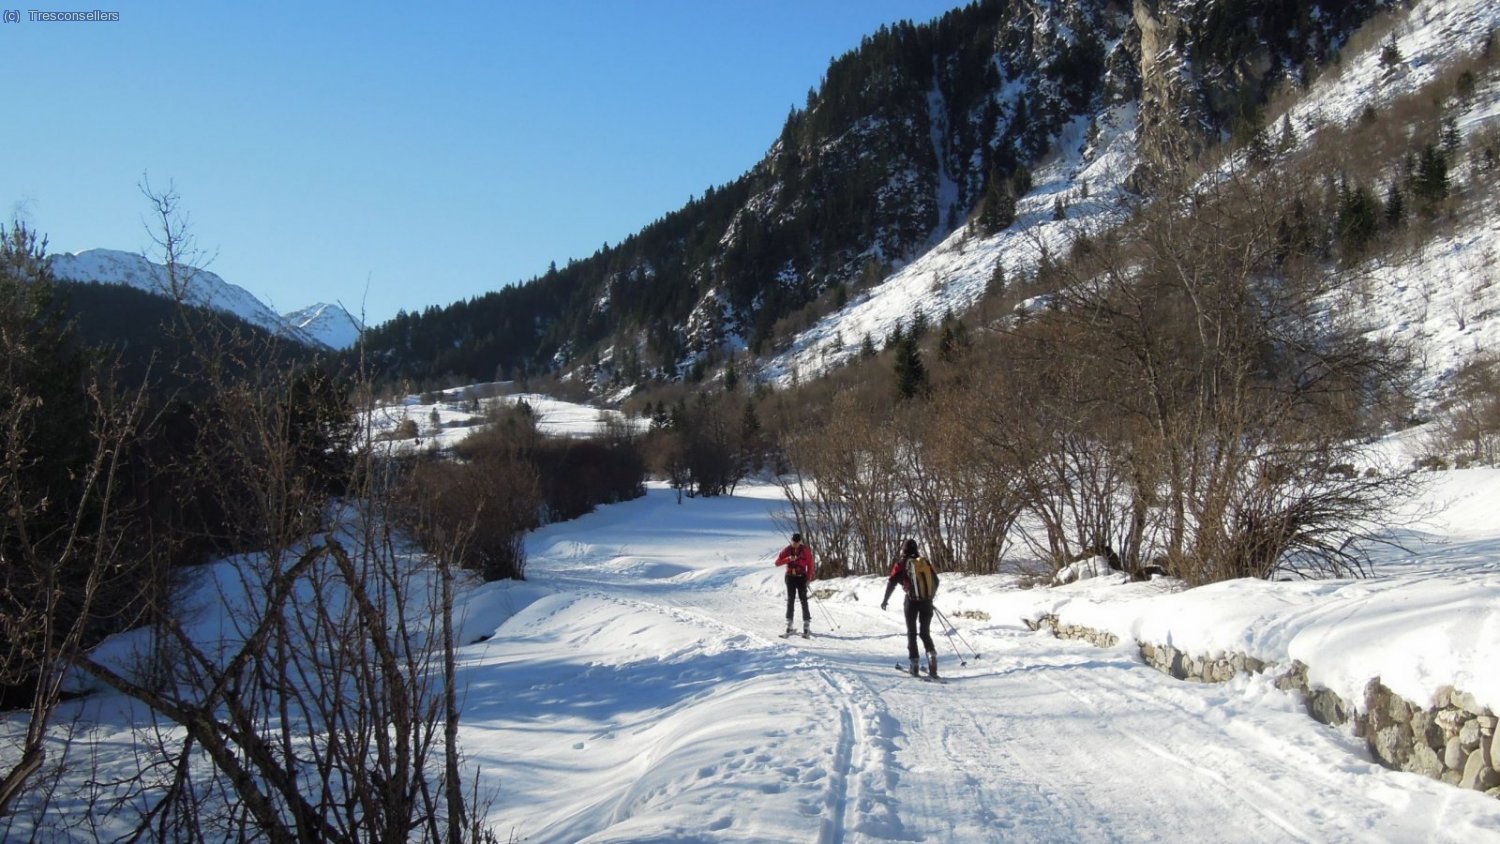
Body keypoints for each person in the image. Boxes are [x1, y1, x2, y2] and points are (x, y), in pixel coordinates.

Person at [881, 538, 940, 677]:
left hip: (911, 602)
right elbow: (936, 581)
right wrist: (930, 597)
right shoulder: (924, 563)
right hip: (927, 602)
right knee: (925, 632)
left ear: (904, 550)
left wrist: (885, 600)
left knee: (911, 633)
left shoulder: (901, 564)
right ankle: (932, 657)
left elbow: (891, 582)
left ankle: (914, 664)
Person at [774, 532, 815, 637]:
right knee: (790, 599)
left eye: (797, 542)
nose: (795, 544)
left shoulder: (805, 550)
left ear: (800, 541)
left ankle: (806, 624)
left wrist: (809, 578)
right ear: (791, 541)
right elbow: (777, 563)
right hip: (790, 577)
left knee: (803, 600)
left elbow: (810, 565)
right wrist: (788, 559)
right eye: (793, 542)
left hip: (801, 578)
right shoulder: (787, 550)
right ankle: (789, 625)